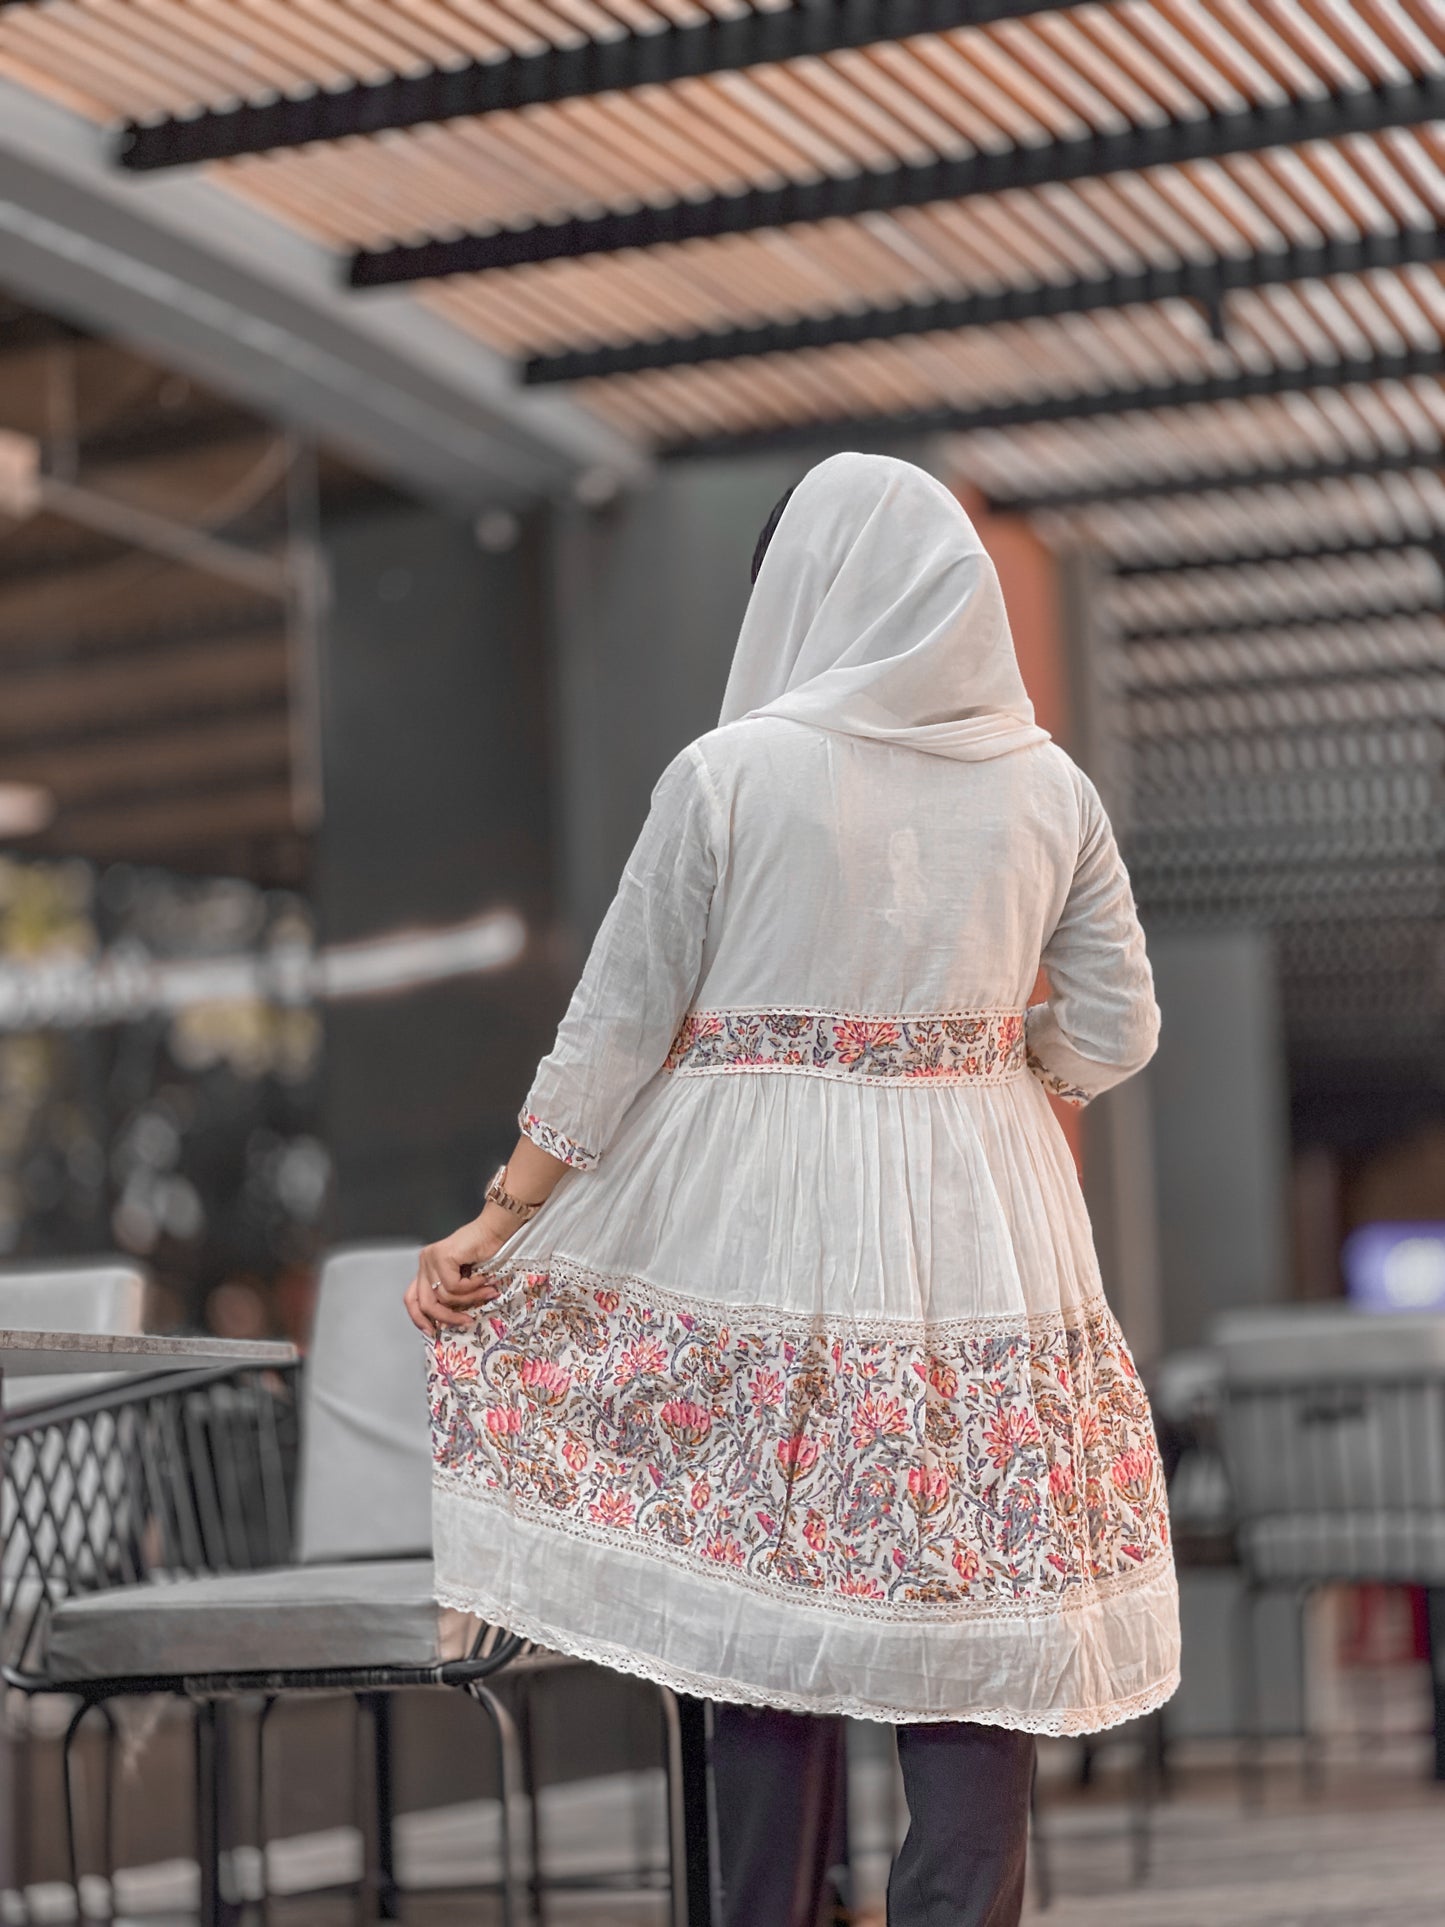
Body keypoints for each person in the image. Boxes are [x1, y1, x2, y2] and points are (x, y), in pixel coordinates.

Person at [406, 452, 1180, 1926]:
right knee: (968, 1608)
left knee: (762, 1605)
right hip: (983, 1228)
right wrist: (992, 1074)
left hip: (755, 1219)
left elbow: (616, 1024)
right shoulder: (1047, 786)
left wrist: (503, 1216)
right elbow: (1118, 1028)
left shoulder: (728, 774)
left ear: (806, 590)